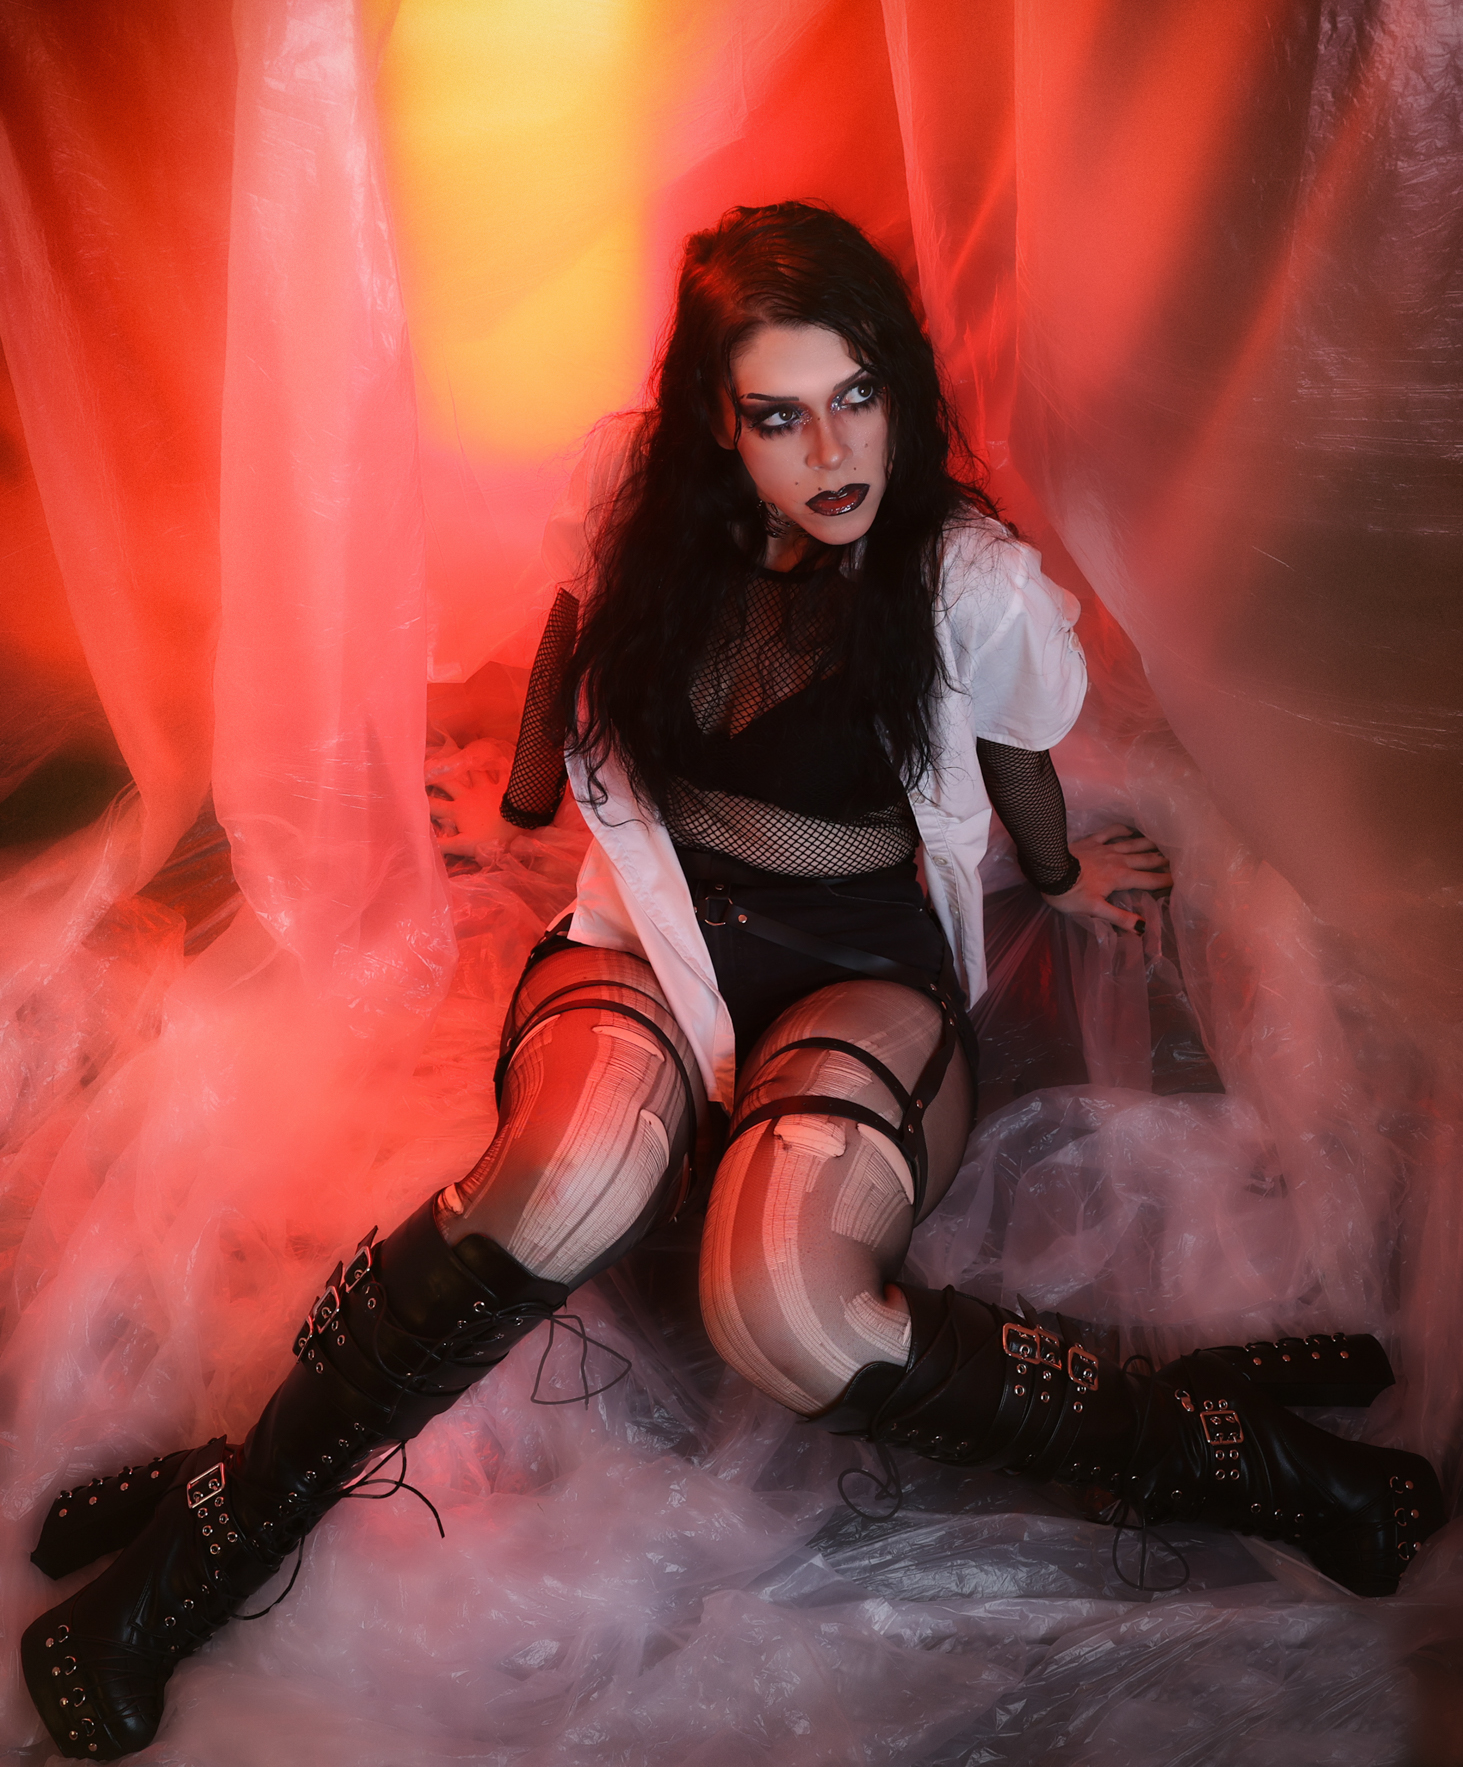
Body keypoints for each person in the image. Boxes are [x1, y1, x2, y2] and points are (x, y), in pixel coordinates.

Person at [23, 204, 1443, 1761]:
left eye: (859, 396)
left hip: (862, 969)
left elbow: (1017, 759)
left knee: (782, 1310)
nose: (833, 451)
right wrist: (509, 807)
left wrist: (1057, 876)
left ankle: (1247, 1455)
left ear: (897, 385)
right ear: (715, 419)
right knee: (559, 1186)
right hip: (652, 942)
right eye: (779, 414)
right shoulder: (635, 510)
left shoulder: (966, 579)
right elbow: (569, 644)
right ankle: (214, 1538)